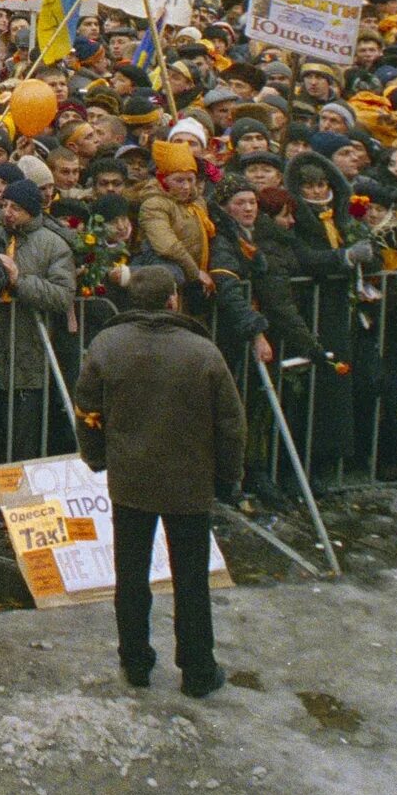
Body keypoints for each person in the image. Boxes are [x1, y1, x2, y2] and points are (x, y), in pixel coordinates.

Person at [74, 264, 243, 698]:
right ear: (172, 300)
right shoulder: (202, 351)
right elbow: (230, 423)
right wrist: (228, 478)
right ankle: (198, 669)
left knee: (130, 573)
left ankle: (135, 661)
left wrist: (96, 458)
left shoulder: (107, 344)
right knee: (191, 578)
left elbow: (87, 409)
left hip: (131, 478)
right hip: (190, 481)